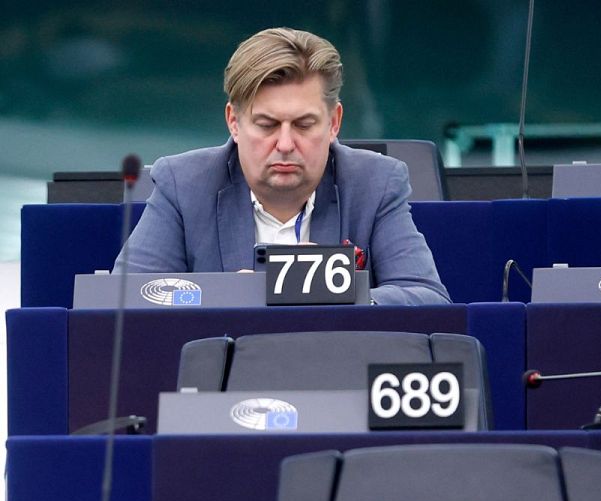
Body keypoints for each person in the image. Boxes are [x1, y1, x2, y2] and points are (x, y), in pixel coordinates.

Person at [113, 27, 450, 305]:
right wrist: (231, 296)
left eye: (304, 125)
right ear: (234, 121)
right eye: (266, 125)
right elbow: (123, 299)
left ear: (334, 123)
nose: (286, 144)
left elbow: (428, 298)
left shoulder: (376, 182)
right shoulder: (182, 183)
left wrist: (330, 292)